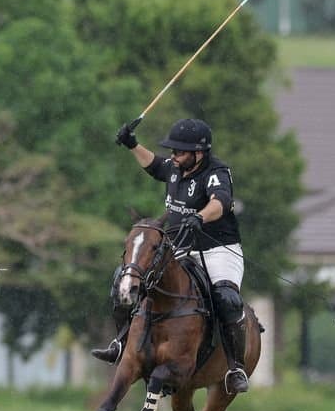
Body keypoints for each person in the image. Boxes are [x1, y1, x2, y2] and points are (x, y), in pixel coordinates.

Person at [92, 117, 250, 394]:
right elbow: (154, 165)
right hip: (180, 247)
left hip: (217, 250)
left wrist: (200, 217)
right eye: (173, 151)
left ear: (199, 153)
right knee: (127, 279)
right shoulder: (176, 169)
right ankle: (121, 342)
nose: (174, 156)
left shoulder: (216, 171)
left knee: (226, 299)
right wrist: (132, 144)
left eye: (180, 151)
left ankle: (235, 367)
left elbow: (221, 201)